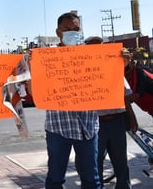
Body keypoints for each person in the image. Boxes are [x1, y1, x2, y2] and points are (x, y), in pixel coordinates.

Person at [42, 12, 101, 188]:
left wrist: (121, 64)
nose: (72, 33)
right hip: (58, 127)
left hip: (88, 126)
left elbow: (108, 83)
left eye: (75, 29)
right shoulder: (46, 58)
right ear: (58, 32)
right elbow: (35, 91)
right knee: (55, 178)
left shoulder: (93, 56)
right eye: (67, 29)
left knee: (91, 178)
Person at [85, 36, 138, 188]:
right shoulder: (82, 74)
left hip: (116, 122)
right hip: (95, 124)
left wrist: (132, 119)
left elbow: (125, 97)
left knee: (121, 162)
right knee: (96, 164)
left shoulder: (114, 70)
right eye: (93, 46)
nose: (97, 49)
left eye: (100, 46)